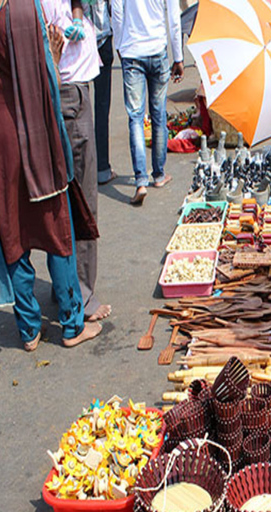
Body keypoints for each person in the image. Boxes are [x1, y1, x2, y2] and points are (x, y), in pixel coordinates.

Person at [0, 0, 101, 350]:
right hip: (33, 130)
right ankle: (72, 325)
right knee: (57, 227)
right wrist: (56, 54)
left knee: (10, 232)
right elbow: (46, 75)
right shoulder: (25, 7)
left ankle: (29, 329)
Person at [42, 0, 111, 323]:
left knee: (72, 196)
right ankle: (80, 293)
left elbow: (76, 3)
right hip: (67, 88)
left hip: (77, 84)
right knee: (79, 200)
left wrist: (78, 17)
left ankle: (68, 285)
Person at [111, 0, 184, 205]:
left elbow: (117, 12)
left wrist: (119, 44)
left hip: (132, 51)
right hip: (157, 49)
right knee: (158, 114)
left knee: (135, 117)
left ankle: (141, 181)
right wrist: (178, 57)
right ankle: (159, 175)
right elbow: (173, 19)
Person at [84, 0, 117, 185]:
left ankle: (85, 168)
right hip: (101, 39)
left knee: (82, 108)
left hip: (79, 43)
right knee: (102, 106)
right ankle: (102, 168)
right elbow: (115, 8)